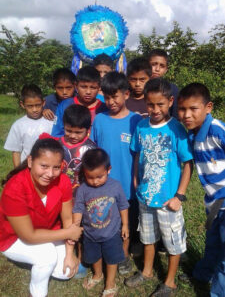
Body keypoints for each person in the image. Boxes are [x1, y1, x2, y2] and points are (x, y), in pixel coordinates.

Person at [125, 78, 193, 297]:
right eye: (150, 104)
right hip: (145, 197)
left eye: (160, 104)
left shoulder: (177, 130)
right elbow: (137, 154)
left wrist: (179, 196)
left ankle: (170, 282)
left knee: (173, 242)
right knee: (147, 237)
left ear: (170, 101)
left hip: (168, 200)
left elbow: (188, 164)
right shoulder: (141, 126)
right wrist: (136, 180)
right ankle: (146, 271)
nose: (155, 109)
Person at [0, 138, 83, 297]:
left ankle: (42, 258)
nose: (50, 174)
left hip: (47, 230)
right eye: (44, 166)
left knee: (64, 272)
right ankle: (36, 293)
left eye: (56, 167)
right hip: (13, 237)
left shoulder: (63, 181)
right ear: (30, 161)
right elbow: (28, 236)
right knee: (46, 257)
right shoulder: (15, 189)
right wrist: (68, 234)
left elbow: (67, 219)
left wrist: (69, 253)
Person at [90, 71, 142, 275]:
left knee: (126, 224)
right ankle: (106, 253)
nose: (111, 101)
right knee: (107, 222)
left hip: (128, 185)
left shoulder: (136, 121)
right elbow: (94, 150)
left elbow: (140, 154)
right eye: (108, 96)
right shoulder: (100, 120)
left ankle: (123, 256)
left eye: (115, 96)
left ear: (126, 94)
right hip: (104, 185)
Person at [178, 83, 225, 297]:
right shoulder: (191, 135)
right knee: (213, 244)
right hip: (213, 203)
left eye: (193, 109)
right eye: (182, 109)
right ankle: (203, 274)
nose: (187, 115)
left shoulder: (217, 129)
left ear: (208, 107)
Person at [73, 148, 129, 297]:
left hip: (112, 233)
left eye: (99, 176)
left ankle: (110, 283)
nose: (95, 181)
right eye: (90, 177)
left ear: (108, 170)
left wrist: (125, 225)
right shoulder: (83, 189)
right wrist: (75, 225)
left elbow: (123, 206)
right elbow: (78, 208)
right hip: (90, 234)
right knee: (94, 257)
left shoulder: (115, 186)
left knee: (112, 259)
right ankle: (98, 275)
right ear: (84, 172)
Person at [4, 84, 53, 167]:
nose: (34, 110)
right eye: (30, 106)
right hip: (27, 168)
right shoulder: (18, 125)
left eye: (38, 105)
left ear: (43, 103)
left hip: (49, 167)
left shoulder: (52, 120)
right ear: (22, 105)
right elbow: (16, 151)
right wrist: (17, 172)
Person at [51, 66, 107, 137]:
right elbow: (56, 133)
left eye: (93, 87)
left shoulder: (104, 109)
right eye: (83, 87)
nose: (88, 92)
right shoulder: (65, 105)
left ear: (99, 88)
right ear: (76, 85)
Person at [148, 49, 179, 119]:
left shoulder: (172, 89)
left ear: (166, 70)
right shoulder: (138, 87)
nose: (157, 69)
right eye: (153, 64)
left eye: (162, 66)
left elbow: (175, 119)